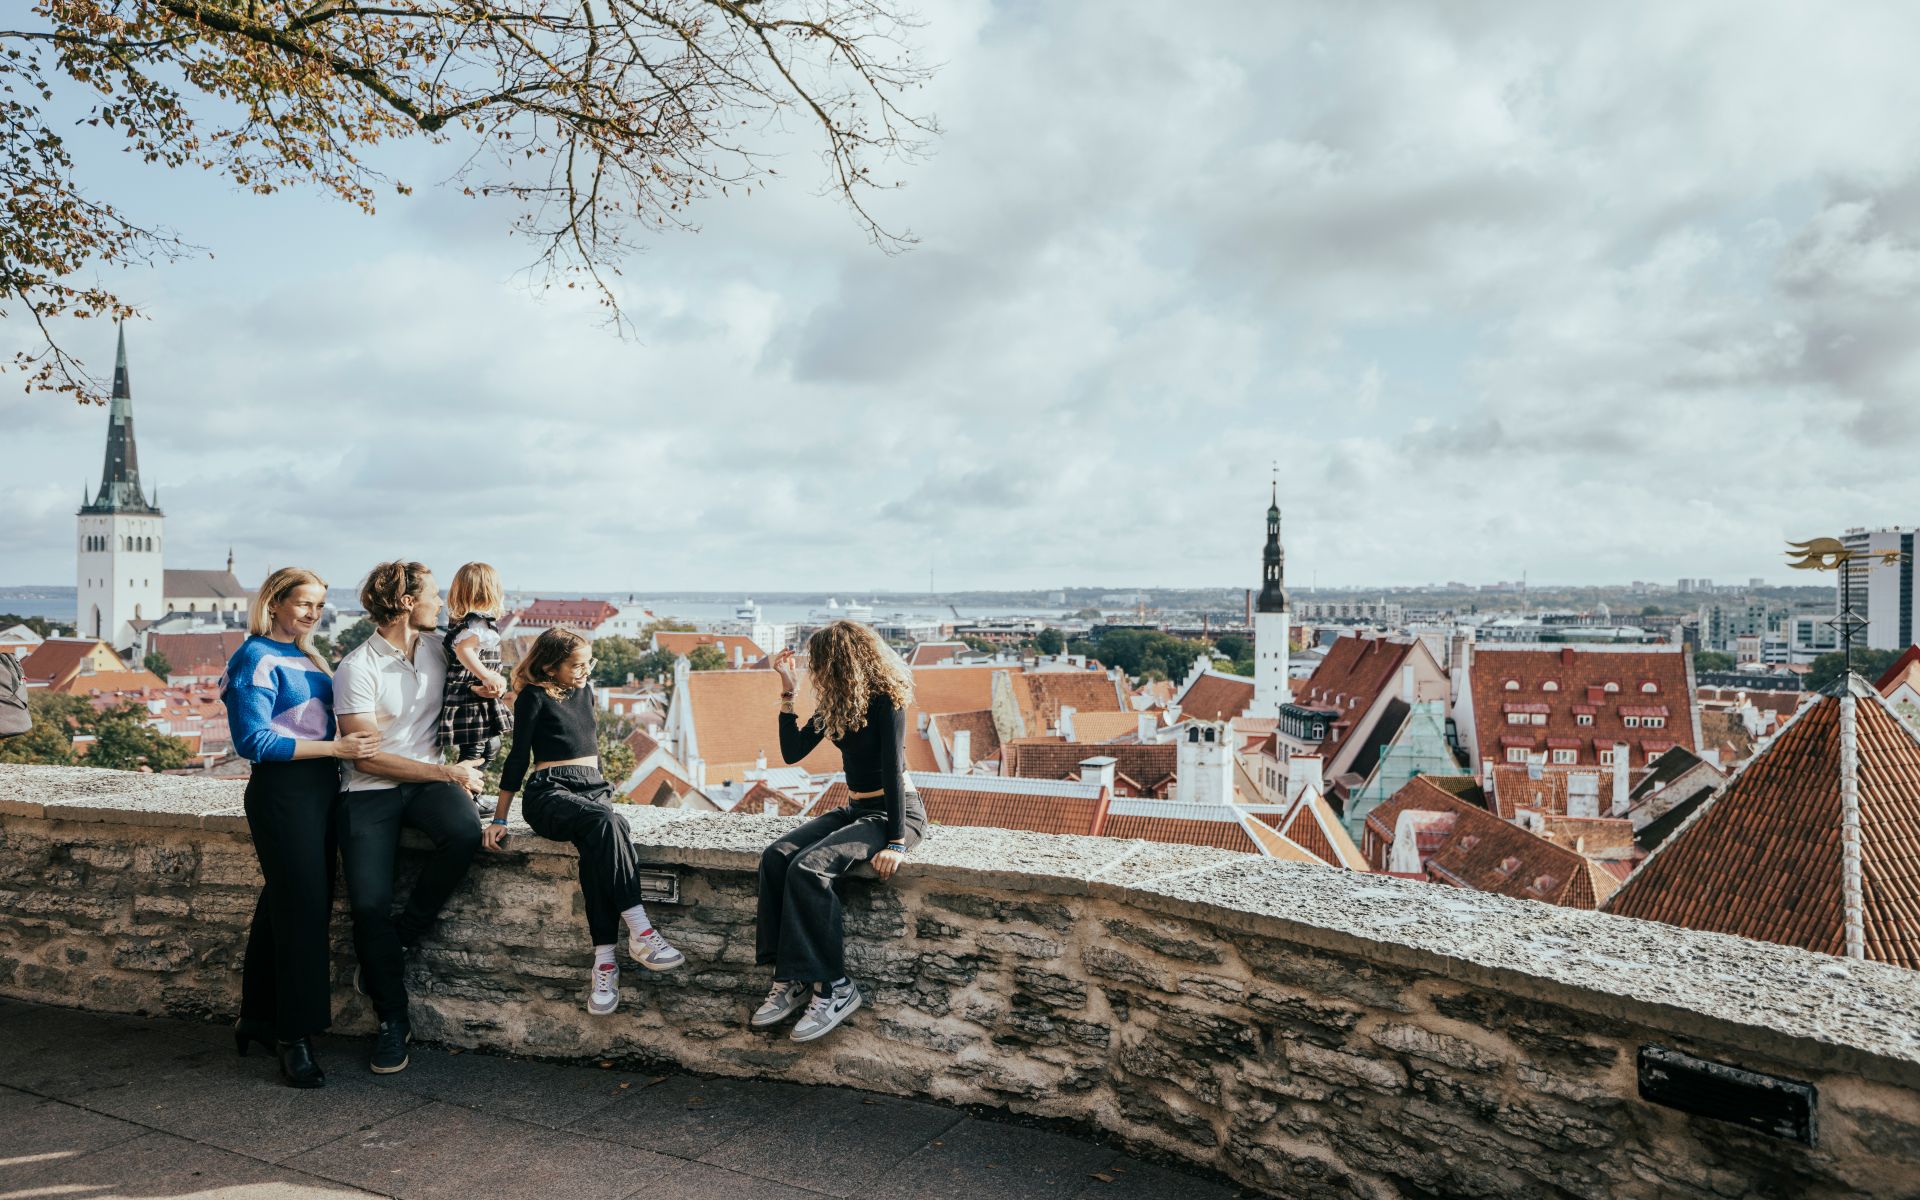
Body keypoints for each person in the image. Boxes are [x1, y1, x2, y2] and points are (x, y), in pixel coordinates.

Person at [223, 567, 380, 1088]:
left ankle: (258, 1016)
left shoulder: (309, 655)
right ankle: (295, 1037)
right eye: (304, 603)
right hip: (283, 792)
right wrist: (337, 748)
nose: (313, 613)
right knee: (304, 913)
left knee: (282, 905)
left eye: (319, 605)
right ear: (274, 603)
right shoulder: (254, 656)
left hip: (319, 790)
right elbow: (254, 743)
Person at [332, 561, 485, 1075]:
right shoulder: (358, 667)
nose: (441, 604)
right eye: (434, 596)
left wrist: (492, 687)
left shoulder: (444, 648)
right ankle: (392, 1020)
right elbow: (364, 758)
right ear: (404, 603)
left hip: (424, 782)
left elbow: (486, 681)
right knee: (370, 905)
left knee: (465, 833)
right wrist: (446, 773)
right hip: (372, 790)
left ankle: (402, 937)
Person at [485, 627, 684, 1016]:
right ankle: (641, 931)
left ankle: (605, 961)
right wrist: (500, 817)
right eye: (576, 665)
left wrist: (600, 791)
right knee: (607, 823)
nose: (584, 671)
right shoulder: (532, 697)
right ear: (550, 666)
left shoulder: (586, 692)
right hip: (549, 793)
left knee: (605, 837)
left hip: (594, 792)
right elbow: (517, 759)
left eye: (588, 663)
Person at [752, 622, 927, 1042]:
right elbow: (793, 753)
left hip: (893, 813)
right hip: (856, 807)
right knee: (776, 857)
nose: (814, 671)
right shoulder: (840, 704)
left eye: (818, 664)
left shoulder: (888, 700)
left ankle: (834, 986)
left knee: (809, 869)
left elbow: (892, 767)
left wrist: (897, 842)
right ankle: (791, 977)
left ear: (841, 662)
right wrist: (787, 689)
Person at [438, 562, 512, 817]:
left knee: (489, 745)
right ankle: (464, 798)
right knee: (476, 749)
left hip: (473, 696)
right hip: (469, 697)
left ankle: (467, 795)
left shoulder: (471, 623)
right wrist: (487, 675)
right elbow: (464, 651)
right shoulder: (476, 624)